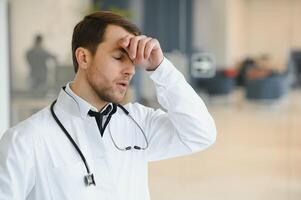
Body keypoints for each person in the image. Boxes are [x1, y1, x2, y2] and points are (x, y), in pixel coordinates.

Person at [0, 11, 216, 200]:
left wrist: (160, 68)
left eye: (132, 61)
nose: (130, 70)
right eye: (119, 57)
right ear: (83, 58)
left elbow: (201, 134)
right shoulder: (26, 140)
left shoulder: (139, 122)